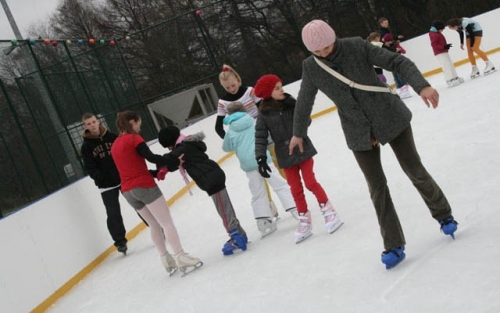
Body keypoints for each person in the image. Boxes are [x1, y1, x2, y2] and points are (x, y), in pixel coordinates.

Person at [290, 20, 458, 269]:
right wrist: (298, 133)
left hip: (390, 116)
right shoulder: (311, 67)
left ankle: (444, 215)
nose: (325, 53)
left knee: (414, 170)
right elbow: (304, 100)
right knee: (377, 187)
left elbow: (397, 61)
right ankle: (393, 243)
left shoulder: (357, 46)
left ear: (334, 37)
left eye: (327, 47)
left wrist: (421, 85)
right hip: (357, 131)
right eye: (318, 51)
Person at [254, 74, 343, 244]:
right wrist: (260, 158)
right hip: (285, 155)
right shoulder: (263, 114)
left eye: (281, 86)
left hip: (303, 149)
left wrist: (296, 112)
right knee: (295, 189)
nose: (282, 90)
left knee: (310, 182)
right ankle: (305, 220)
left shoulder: (290, 103)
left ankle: (329, 210)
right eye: (277, 88)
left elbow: (306, 120)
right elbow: (260, 137)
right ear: (267, 93)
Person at [111, 111, 202, 276]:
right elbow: (151, 157)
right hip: (144, 186)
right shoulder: (134, 139)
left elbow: (131, 168)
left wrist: (154, 173)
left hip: (127, 191)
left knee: (154, 225)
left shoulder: (115, 144)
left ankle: (166, 259)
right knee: (166, 223)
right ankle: (180, 256)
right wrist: (173, 161)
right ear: (132, 122)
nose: (139, 127)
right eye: (138, 123)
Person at [157, 126, 248, 255]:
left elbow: (170, 159)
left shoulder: (182, 148)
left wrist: (160, 167)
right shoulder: (187, 143)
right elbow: (173, 162)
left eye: (168, 146)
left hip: (211, 179)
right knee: (225, 207)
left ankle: (236, 237)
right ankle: (241, 234)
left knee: (223, 209)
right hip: (213, 176)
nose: (169, 149)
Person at [216, 64, 284, 218]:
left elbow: (264, 109)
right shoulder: (223, 102)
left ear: (238, 80)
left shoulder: (250, 91)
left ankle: (291, 193)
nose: (232, 89)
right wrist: (235, 141)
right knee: (261, 173)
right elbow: (218, 127)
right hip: (250, 143)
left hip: (265, 134)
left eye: (233, 85)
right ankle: (269, 205)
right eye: (227, 88)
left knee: (279, 166)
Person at [222, 102, 297, 238]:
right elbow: (266, 137)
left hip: (248, 165)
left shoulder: (231, 130)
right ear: (244, 110)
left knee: (257, 191)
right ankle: (295, 208)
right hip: (263, 158)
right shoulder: (253, 122)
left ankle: (264, 222)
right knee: (279, 184)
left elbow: (226, 147)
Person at [80, 113, 128, 255]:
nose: (92, 125)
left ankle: (155, 228)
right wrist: (100, 179)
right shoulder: (86, 147)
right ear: (85, 126)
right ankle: (120, 242)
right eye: (88, 123)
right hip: (106, 185)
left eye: (94, 122)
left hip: (124, 178)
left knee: (138, 203)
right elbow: (90, 167)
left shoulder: (112, 137)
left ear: (98, 121)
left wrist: (125, 171)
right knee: (113, 214)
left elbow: (123, 154)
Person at [429, 20, 464, 87]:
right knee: (446, 66)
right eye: (441, 29)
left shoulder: (436, 32)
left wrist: (445, 46)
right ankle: (449, 80)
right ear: (438, 28)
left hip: (443, 51)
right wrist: (444, 46)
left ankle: (455, 77)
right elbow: (434, 45)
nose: (442, 30)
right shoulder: (433, 34)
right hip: (439, 53)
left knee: (450, 64)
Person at [382, 33, 411, 99]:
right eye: (386, 42)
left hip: (398, 63)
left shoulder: (396, 44)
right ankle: (401, 89)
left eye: (388, 41)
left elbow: (404, 51)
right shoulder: (385, 47)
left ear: (391, 40)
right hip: (392, 64)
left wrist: (399, 49)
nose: (387, 43)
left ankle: (405, 89)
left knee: (400, 76)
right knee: (396, 77)